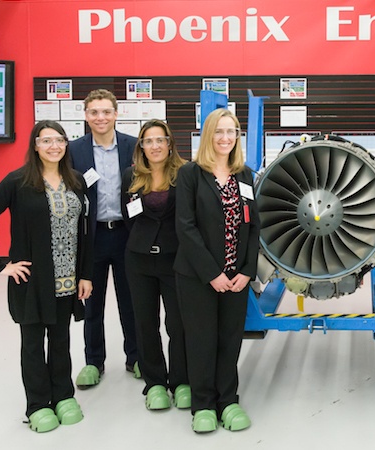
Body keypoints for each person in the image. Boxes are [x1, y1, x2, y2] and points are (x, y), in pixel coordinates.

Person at [0, 121, 92, 433]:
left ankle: (63, 395)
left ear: (66, 144)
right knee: (33, 344)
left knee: (62, 340)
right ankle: (37, 404)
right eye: (46, 140)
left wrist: (85, 275)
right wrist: (1, 265)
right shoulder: (17, 182)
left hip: (68, 281)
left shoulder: (76, 181)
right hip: (32, 281)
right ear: (35, 145)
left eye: (60, 140)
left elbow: (85, 232)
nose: (54, 146)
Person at [174, 108, 260, 434]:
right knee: (201, 341)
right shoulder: (191, 174)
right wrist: (212, 273)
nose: (225, 138)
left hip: (236, 277)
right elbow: (186, 227)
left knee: (229, 341)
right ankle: (203, 405)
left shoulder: (245, 176)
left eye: (232, 132)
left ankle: (228, 401)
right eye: (219, 132)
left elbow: (253, 228)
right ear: (208, 135)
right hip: (199, 277)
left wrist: (247, 271)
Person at [70, 89, 140, 387]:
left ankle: (136, 357)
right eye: (94, 112)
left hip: (126, 234)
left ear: (116, 114)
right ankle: (93, 362)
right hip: (92, 236)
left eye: (106, 111)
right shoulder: (74, 150)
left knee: (132, 301)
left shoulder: (133, 146)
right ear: (86, 116)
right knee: (91, 303)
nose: (101, 117)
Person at [121, 120, 190, 410]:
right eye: (149, 141)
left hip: (175, 260)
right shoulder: (131, 175)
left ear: (170, 143)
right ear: (142, 147)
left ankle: (182, 381)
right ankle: (156, 384)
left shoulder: (186, 173)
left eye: (161, 140)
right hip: (139, 261)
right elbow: (128, 217)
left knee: (178, 323)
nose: (155, 146)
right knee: (145, 324)